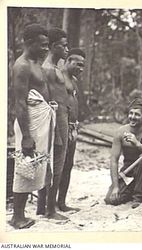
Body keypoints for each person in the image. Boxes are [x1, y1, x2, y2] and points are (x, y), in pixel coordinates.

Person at [10, 24, 53, 229]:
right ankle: (17, 216)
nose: (46, 48)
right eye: (42, 44)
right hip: (30, 123)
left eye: (47, 45)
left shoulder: (37, 61)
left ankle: (27, 212)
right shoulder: (22, 65)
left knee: (36, 166)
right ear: (29, 43)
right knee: (25, 166)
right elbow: (19, 103)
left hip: (41, 120)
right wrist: (26, 135)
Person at [104, 99, 142, 208]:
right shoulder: (121, 131)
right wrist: (115, 186)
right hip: (128, 171)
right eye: (131, 113)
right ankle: (134, 190)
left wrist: (138, 145)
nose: (132, 117)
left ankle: (139, 195)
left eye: (137, 114)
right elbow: (114, 160)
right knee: (111, 199)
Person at [39, 28, 69, 220]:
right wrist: (56, 129)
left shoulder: (56, 67)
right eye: (64, 46)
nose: (67, 49)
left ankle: (43, 207)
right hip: (57, 120)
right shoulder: (48, 69)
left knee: (56, 163)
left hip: (64, 118)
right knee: (56, 164)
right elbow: (48, 100)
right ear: (53, 46)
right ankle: (50, 210)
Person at [57, 48, 86, 212]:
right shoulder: (58, 77)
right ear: (68, 61)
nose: (81, 68)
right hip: (62, 127)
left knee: (68, 165)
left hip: (73, 127)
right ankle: (48, 204)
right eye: (78, 64)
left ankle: (62, 202)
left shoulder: (73, 79)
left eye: (83, 66)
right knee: (57, 166)